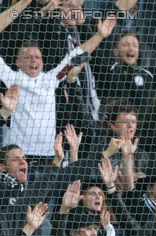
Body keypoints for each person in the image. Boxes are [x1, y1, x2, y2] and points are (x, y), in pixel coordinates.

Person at [0, 17, 115, 162]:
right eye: (27, 57)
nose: (33, 60)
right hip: (19, 158)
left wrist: (99, 36)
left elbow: (74, 57)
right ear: (17, 62)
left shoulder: (52, 78)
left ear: (42, 61)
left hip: (48, 158)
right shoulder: (11, 78)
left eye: (37, 57)